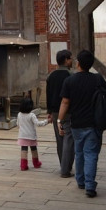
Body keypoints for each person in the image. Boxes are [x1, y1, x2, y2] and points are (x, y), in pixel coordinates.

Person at [57, 49, 106, 198]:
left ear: (78, 63)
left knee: (79, 152)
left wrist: (60, 120)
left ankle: (81, 181)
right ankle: (90, 185)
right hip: (93, 123)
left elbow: (65, 102)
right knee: (91, 153)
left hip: (76, 123)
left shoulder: (70, 80)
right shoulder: (97, 79)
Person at [46, 49, 75, 177]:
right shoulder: (70, 76)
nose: (72, 61)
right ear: (65, 60)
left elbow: (48, 94)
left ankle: (62, 165)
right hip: (68, 112)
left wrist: (49, 112)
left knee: (60, 140)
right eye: (70, 58)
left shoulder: (50, 76)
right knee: (69, 139)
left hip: (55, 112)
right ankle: (66, 168)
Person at [16, 96, 48, 170]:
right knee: (34, 150)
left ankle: (23, 165)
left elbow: (18, 124)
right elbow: (38, 124)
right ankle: (36, 163)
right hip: (31, 136)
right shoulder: (32, 115)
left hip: (22, 135)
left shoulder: (19, 114)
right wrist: (47, 121)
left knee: (24, 150)